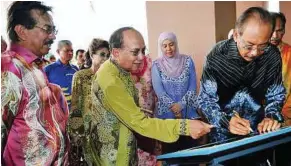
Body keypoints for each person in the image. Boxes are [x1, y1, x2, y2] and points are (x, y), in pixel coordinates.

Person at [90, 26, 213, 165]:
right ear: (116, 52)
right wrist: (185, 126)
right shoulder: (110, 80)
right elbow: (140, 123)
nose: (142, 57)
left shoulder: (119, 70)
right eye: (135, 52)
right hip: (115, 155)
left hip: (127, 146)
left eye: (143, 50)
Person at [197, 7, 285, 166]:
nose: (255, 53)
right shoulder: (217, 55)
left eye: (263, 46)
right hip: (221, 143)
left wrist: (271, 116)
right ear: (236, 35)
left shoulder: (271, 56)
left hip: (257, 137)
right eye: (249, 45)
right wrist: (225, 121)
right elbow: (205, 101)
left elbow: (276, 94)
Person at [1, 1, 69, 165]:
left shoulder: (34, 67)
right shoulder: (9, 69)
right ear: (21, 31)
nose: (53, 36)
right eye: (47, 29)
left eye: (54, 30)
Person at [152, 32, 199, 154]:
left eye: (171, 44)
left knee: (191, 151)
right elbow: (159, 91)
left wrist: (181, 105)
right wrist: (173, 107)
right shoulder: (156, 65)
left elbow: (193, 86)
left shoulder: (188, 61)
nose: (168, 49)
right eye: (164, 46)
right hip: (167, 114)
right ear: (160, 47)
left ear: (176, 44)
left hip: (188, 111)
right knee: (171, 152)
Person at [68, 38, 110, 166]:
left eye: (108, 56)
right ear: (92, 55)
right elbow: (75, 106)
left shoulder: (111, 77)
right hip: (87, 133)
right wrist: (75, 134)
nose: (105, 58)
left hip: (108, 131)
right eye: (102, 54)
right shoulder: (80, 76)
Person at [270, 12, 291, 166]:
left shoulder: (289, 53)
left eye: (279, 30)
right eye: (272, 30)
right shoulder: (256, 52)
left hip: (287, 117)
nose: (275, 35)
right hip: (260, 120)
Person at [130, 54, 159, 166]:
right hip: (131, 119)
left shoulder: (150, 63)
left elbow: (157, 88)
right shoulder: (122, 66)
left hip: (150, 117)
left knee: (152, 155)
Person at [44, 40, 79, 109]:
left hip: (73, 112)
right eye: (66, 50)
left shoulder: (75, 69)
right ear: (58, 51)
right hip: (55, 112)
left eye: (72, 51)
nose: (70, 53)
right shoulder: (48, 69)